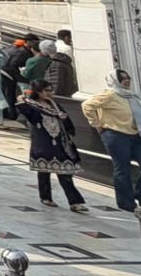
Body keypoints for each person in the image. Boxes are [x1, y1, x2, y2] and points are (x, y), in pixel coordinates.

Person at [82, 69, 141, 212]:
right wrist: (96, 123)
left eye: (128, 78)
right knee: (122, 169)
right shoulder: (109, 94)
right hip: (116, 135)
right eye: (122, 78)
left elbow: (132, 114)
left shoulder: (131, 96)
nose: (126, 81)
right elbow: (87, 105)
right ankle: (126, 202)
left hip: (136, 135)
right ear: (115, 80)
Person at [17, 79, 88, 212]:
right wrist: (21, 100)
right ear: (38, 92)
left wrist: (65, 121)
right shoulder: (33, 105)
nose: (51, 93)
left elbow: (67, 123)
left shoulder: (55, 105)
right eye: (47, 91)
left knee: (65, 172)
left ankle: (75, 202)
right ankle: (45, 197)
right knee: (44, 171)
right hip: (43, 142)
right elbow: (29, 116)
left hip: (60, 142)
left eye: (51, 90)